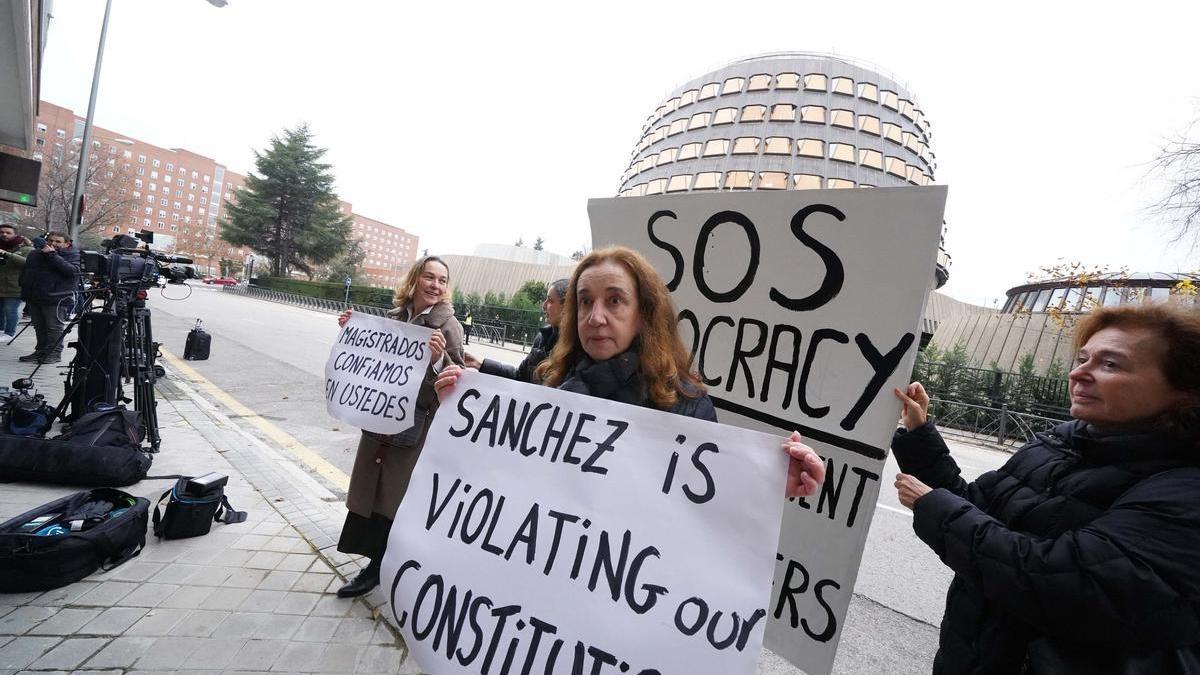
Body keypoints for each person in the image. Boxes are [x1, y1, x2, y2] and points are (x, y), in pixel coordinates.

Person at [891, 302, 1200, 674]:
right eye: (1082, 358)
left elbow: (1063, 583)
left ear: (1184, 392)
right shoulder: (1058, 444)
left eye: (1110, 364)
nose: (1080, 373)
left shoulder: (1184, 488)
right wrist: (921, 436)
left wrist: (936, 510)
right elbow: (976, 507)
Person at [436, 246, 825, 498]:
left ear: (644, 314)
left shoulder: (686, 403)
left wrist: (772, 485)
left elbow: (707, 501)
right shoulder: (547, 380)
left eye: (615, 300)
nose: (596, 316)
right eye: (585, 301)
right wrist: (463, 418)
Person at [333, 255, 465, 598]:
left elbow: (459, 377)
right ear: (415, 279)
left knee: (394, 498)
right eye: (429, 277)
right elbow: (372, 357)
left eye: (442, 280)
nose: (435, 285)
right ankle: (377, 562)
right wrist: (354, 331)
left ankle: (380, 567)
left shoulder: (448, 326)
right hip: (379, 420)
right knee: (370, 492)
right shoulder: (394, 317)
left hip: (413, 426)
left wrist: (439, 358)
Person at [466, 278, 568, 383]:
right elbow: (520, 376)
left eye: (550, 300)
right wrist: (480, 364)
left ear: (567, 306)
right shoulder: (542, 339)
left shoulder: (579, 352)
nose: (544, 305)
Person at [18, 231, 80, 364]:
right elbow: (27, 272)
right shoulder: (36, 253)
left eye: (58, 241)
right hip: (36, 296)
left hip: (57, 298)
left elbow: (72, 272)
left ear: (67, 243)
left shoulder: (72, 254)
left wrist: (53, 255)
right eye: (51, 240)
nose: (53, 243)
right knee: (39, 326)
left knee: (53, 327)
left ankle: (54, 354)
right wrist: (25, 289)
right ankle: (40, 351)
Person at [0, 225, 32, 341]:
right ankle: (1, 331)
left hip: (15, 286)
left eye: (8, 232)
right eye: (2, 232)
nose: (4, 234)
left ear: (15, 234)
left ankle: (10, 333)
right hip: (1, 285)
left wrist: (6, 254)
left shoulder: (26, 248)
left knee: (10, 310)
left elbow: (26, 263)